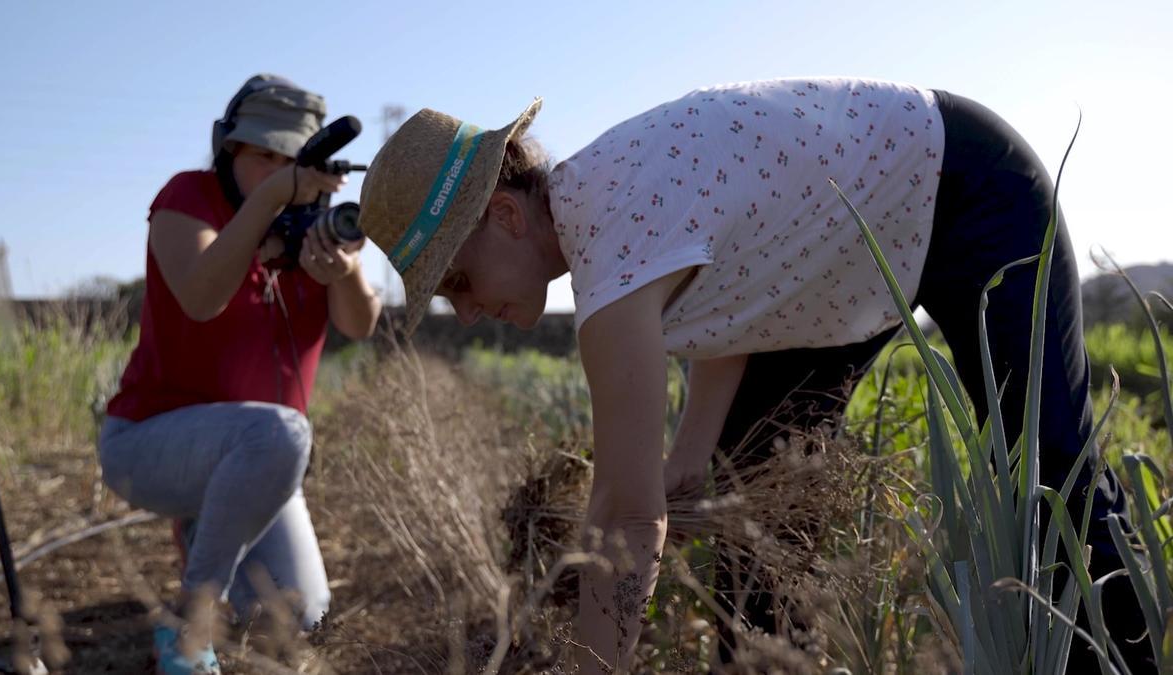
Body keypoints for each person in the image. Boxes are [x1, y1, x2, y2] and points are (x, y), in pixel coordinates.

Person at [356, 78, 1149, 674]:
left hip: (970, 189)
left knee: (1048, 474)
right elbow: (735, 301)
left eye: (456, 280)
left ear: (504, 214)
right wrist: (692, 454)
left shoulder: (612, 249)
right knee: (747, 510)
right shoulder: (608, 214)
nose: (462, 312)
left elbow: (628, 524)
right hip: (840, 268)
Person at [98, 74, 380, 675]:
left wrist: (346, 269)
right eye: (264, 156)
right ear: (228, 148)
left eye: (290, 160)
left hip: (257, 459)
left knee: (299, 615)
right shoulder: (189, 198)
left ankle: (213, 527)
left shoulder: (315, 229)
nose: (277, 169)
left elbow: (361, 326)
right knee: (283, 434)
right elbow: (201, 297)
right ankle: (191, 623)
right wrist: (270, 201)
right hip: (147, 444)